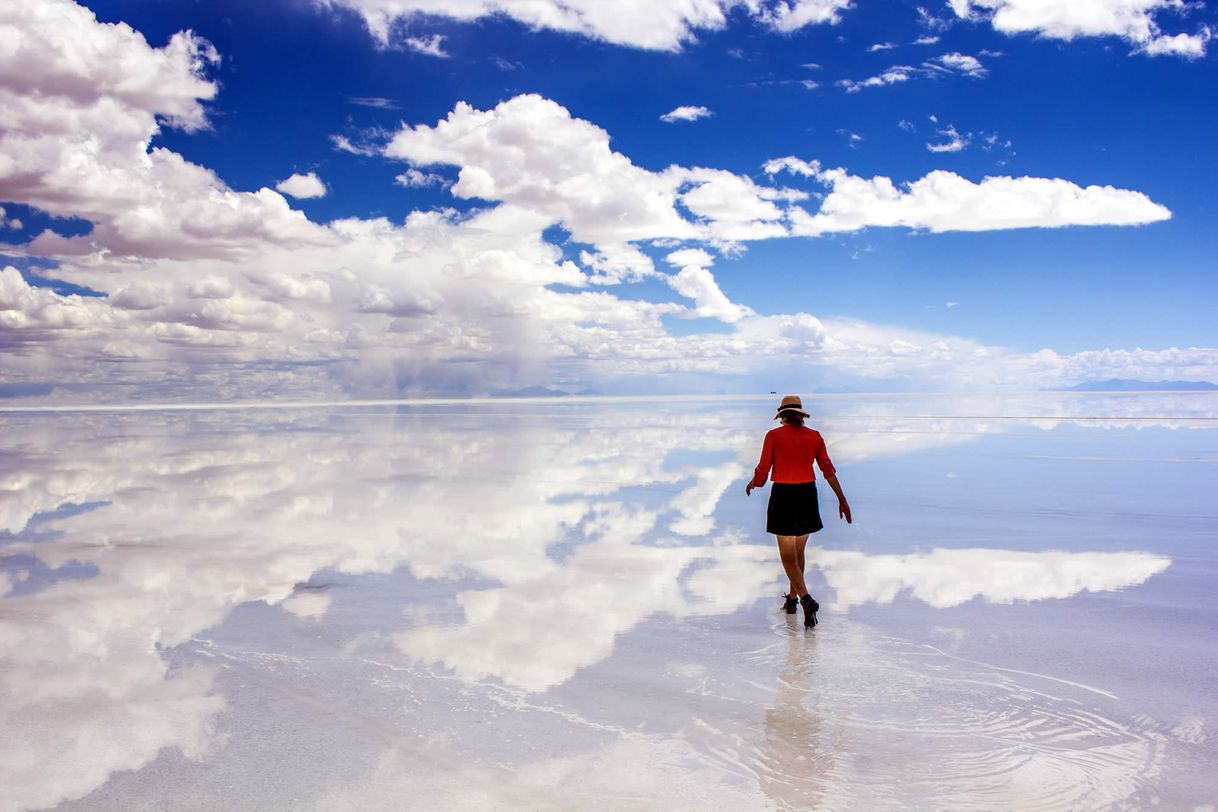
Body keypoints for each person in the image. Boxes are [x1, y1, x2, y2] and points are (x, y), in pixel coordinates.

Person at [746, 394, 851, 628]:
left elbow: (764, 469)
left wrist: (754, 482)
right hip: (807, 495)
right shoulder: (814, 436)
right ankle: (792, 601)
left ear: (782, 416)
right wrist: (842, 499)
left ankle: (805, 599)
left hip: (783, 496)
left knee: (787, 557)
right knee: (799, 553)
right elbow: (827, 469)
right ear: (801, 416)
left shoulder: (773, 436)